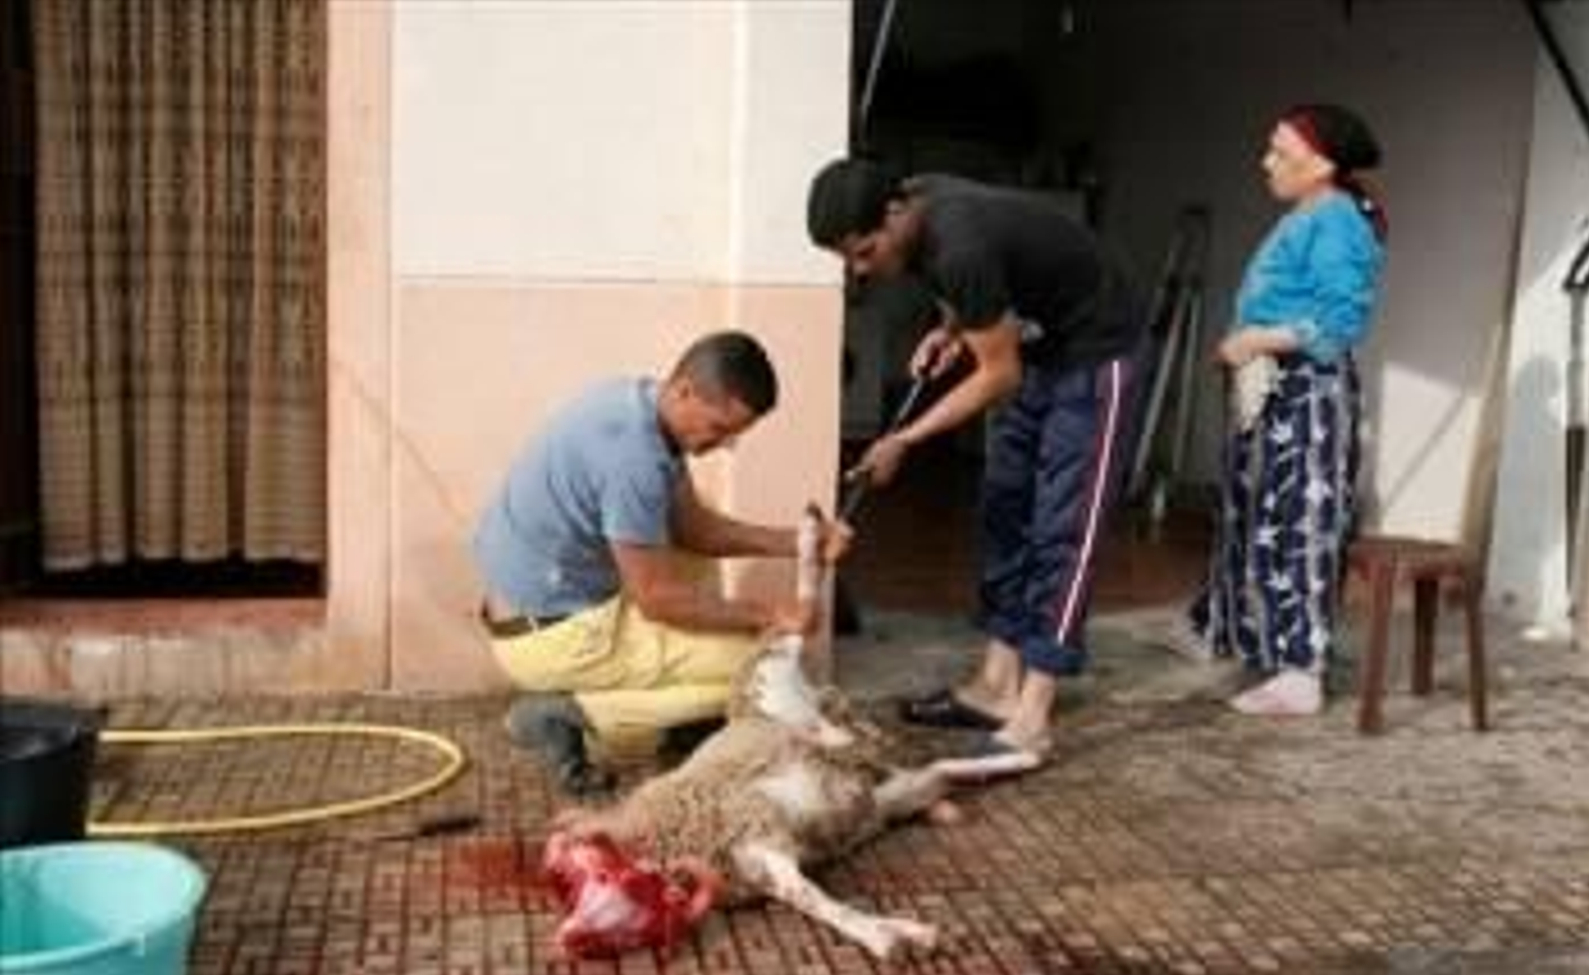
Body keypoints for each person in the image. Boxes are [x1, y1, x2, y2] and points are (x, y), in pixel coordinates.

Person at [807, 158, 1148, 758]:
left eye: (865, 252)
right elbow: (982, 286)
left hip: (1098, 352)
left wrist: (905, 439)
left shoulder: (958, 241)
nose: (863, 271)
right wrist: (953, 328)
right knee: (1004, 510)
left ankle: (1034, 711)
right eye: (849, 261)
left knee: (1064, 529)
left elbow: (998, 374)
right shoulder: (922, 204)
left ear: (893, 213)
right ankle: (995, 684)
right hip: (1042, 346)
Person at [473, 330, 850, 793]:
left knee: (695, 574)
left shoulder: (635, 404)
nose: (724, 444)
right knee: (753, 671)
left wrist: (797, 542)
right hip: (554, 637)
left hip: (540, 605)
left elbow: (695, 530)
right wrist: (769, 615)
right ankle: (568, 714)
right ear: (685, 390)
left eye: (735, 433)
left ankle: (673, 712)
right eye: (718, 428)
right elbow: (656, 599)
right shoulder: (634, 459)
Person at [1169, 102, 1388, 716]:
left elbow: (1340, 320)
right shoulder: (1308, 215)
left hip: (1308, 396)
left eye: (1280, 152)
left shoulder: (1339, 222)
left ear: (1320, 164)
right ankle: (1248, 636)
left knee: (1301, 523)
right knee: (1256, 515)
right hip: (1275, 393)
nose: (1266, 162)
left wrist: (1255, 340)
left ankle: (1301, 671)